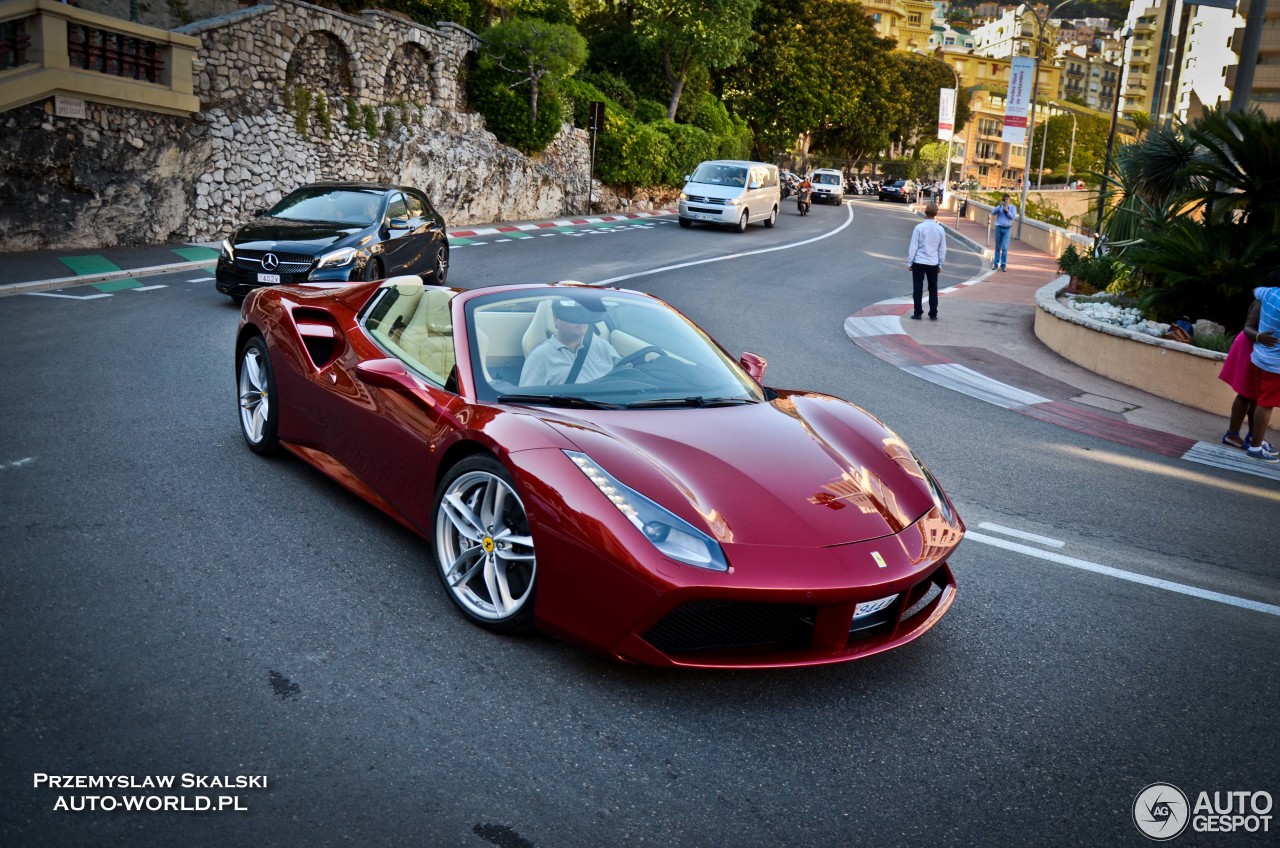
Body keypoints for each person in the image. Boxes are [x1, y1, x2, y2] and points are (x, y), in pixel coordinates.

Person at [519, 299, 621, 386]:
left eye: (585, 314)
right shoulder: (540, 357)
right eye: (574, 314)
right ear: (556, 319)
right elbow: (525, 400)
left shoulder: (603, 346)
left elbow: (627, 375)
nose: (581, 319)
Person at [1218, 299, 1260, 449]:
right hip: (1250, 346)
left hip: (1258, 349)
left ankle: (1255, 436)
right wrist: (1260, 337)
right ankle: (1232, 434)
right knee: (1246, 394)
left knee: (1256, 395)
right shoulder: (1262, 302)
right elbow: (1249, 327)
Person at [1245, 282, 1280, 462]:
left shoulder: (1269, 293)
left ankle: (1254, 439)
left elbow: (1255, 290)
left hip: (1259, 357)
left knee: (1258, 400)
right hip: (1275, 365)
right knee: (1265, 405)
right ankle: (1255, 447)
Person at [906, 202, 947, 321]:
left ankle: (917, 312)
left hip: (919, 261)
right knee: (933, 288)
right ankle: (933, 313)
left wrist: (910, 262)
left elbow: (913, 246)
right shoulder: (940, 229)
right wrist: (940, 263)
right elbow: (942, 249)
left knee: (918, 287)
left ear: (925, 212)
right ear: (936, 213)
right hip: (933, 262)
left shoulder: (919, 228)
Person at [992, 193, 1017, 271]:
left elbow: (1012, 217)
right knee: (997, 247)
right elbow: (993, 212)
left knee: (1005, 248)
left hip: (1007, 229)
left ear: (1009, 200)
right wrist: (1000, 206)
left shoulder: (1012, 207)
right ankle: (995, 263)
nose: (1005, 201)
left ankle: (1003, 264)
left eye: (1007, 199)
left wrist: (1007, 211)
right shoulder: (1000, 207)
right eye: (1004, 199)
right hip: (998, 228)